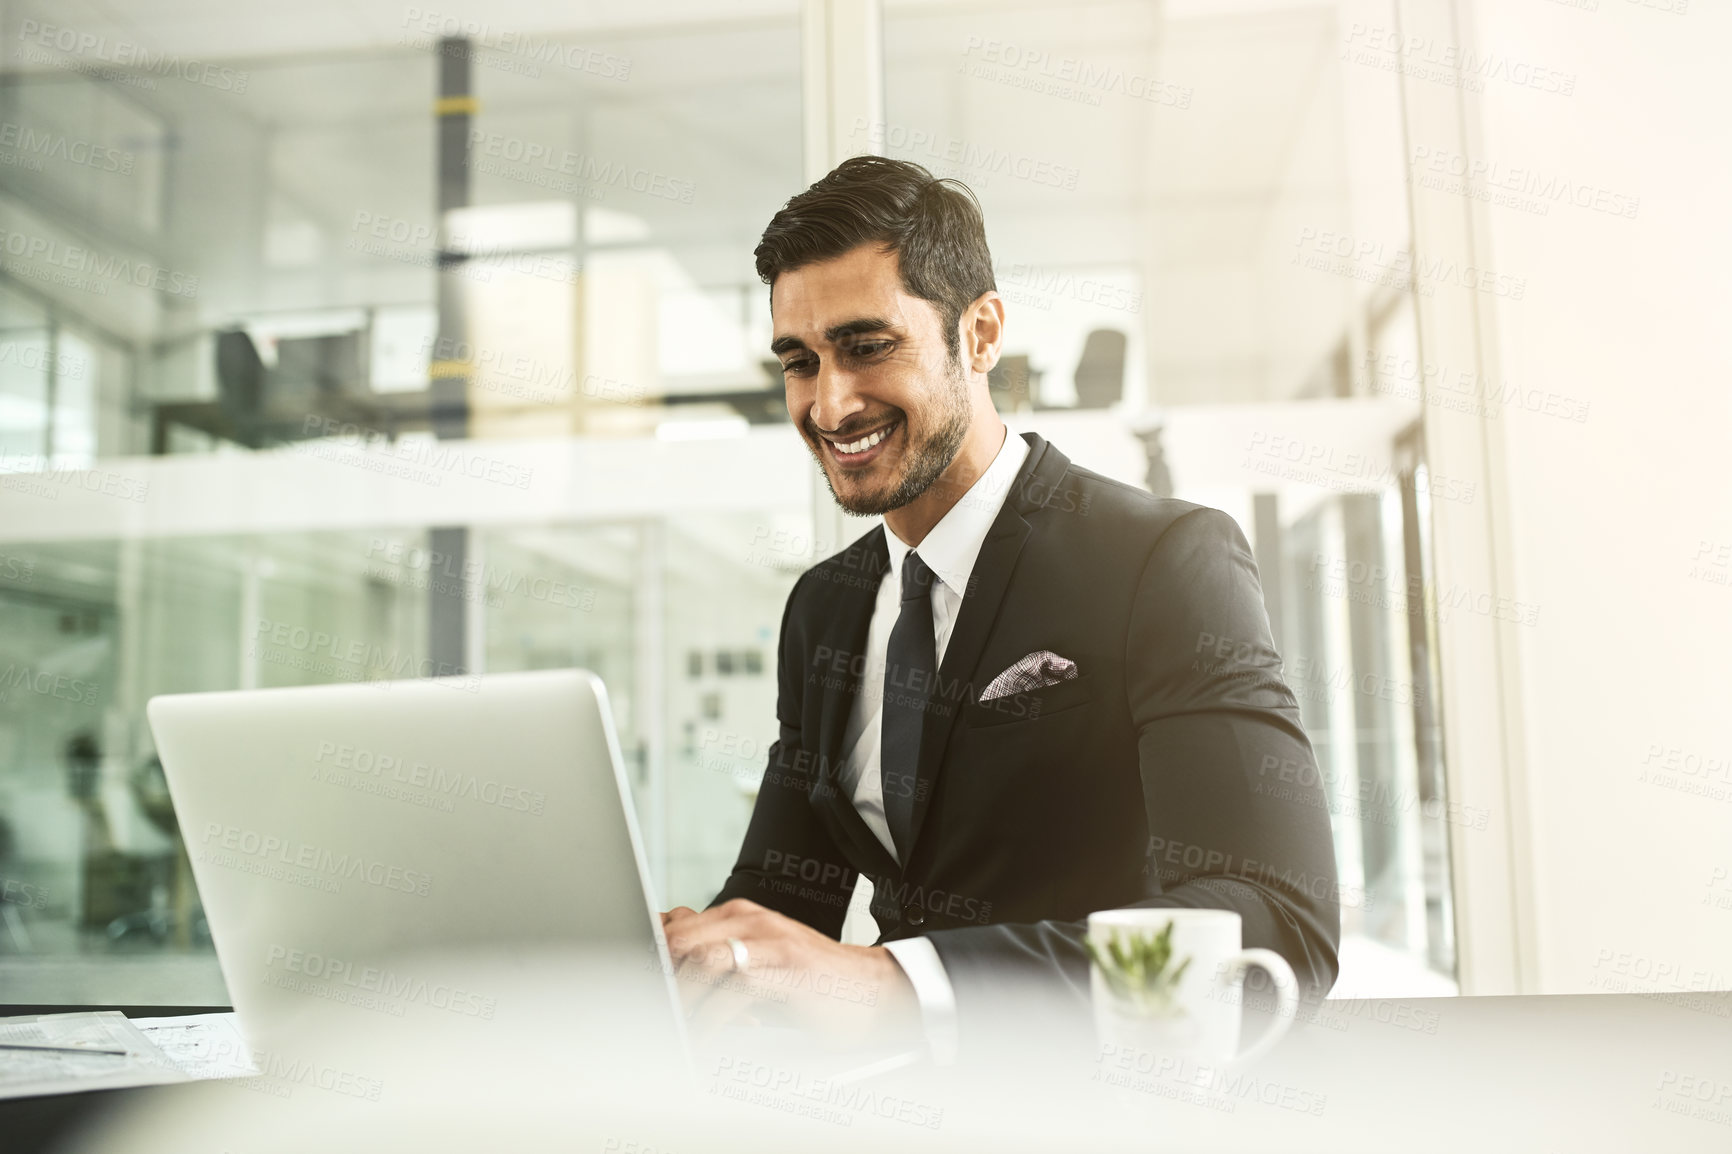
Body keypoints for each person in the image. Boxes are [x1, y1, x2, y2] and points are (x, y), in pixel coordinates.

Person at [662, 155, 1339, 1058]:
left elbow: (1277, 923)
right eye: (799, 361)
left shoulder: (1163, 561)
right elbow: (785, 898)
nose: (829, 402)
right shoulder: (821, 610)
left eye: (867, 346)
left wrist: (897, 984)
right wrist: (687, 959)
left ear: (979, 335)